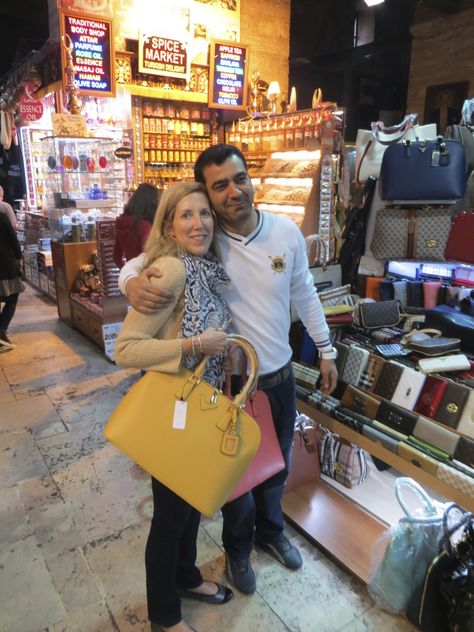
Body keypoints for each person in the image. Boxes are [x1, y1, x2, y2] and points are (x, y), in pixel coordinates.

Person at [118, 144, 339, 595]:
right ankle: (238, 548)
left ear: (250, 179)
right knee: (235, 476)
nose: (233, 191)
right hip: (230, 383)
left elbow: (305, 293)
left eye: (239, 179)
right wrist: (130, 282)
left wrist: (326, 348)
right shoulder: (206, 236)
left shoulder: (285, 233)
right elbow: (141, 263)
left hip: (279, 375)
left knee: (277, 466)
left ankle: (272, 532)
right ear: (208, 194)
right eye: (220, 186)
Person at [114, 181, 234, 632]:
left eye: (205, 214)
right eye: (186, 215)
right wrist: (194, 343)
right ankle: (164, 615)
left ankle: (185, 577)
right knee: (168, 518)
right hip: (173, 410)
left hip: (200, 406)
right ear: (168, 223)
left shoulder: (205, 268)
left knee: (188, 507)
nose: (198, 223)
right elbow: (126, 349)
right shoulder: (172, 270)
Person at [113, 183, 160, 269]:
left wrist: (127, 272)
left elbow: (116, 257)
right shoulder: (144, 226)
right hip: (146, 275)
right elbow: (151, 257)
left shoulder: (122, 222)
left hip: (132, 274)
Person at [0, 211, 24, 348]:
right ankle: (1, 330)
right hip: (4, 263)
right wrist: (18, 256)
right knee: (13, 296)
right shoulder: (1, 216)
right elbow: (12, 238)